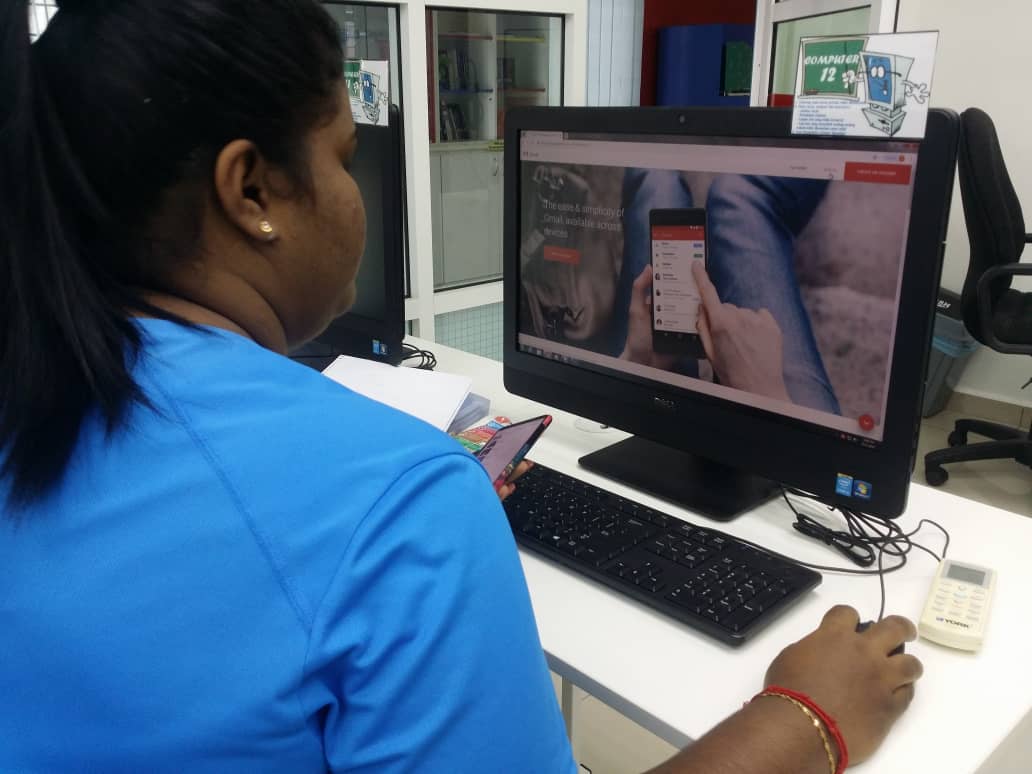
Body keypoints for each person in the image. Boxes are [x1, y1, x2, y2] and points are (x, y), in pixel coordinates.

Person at [0, 2, 921, 772]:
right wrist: (809, 716)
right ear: (250, 192)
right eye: (343, 153)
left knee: (695, 198)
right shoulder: (393, 497)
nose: (355, 192)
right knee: (730, 202)